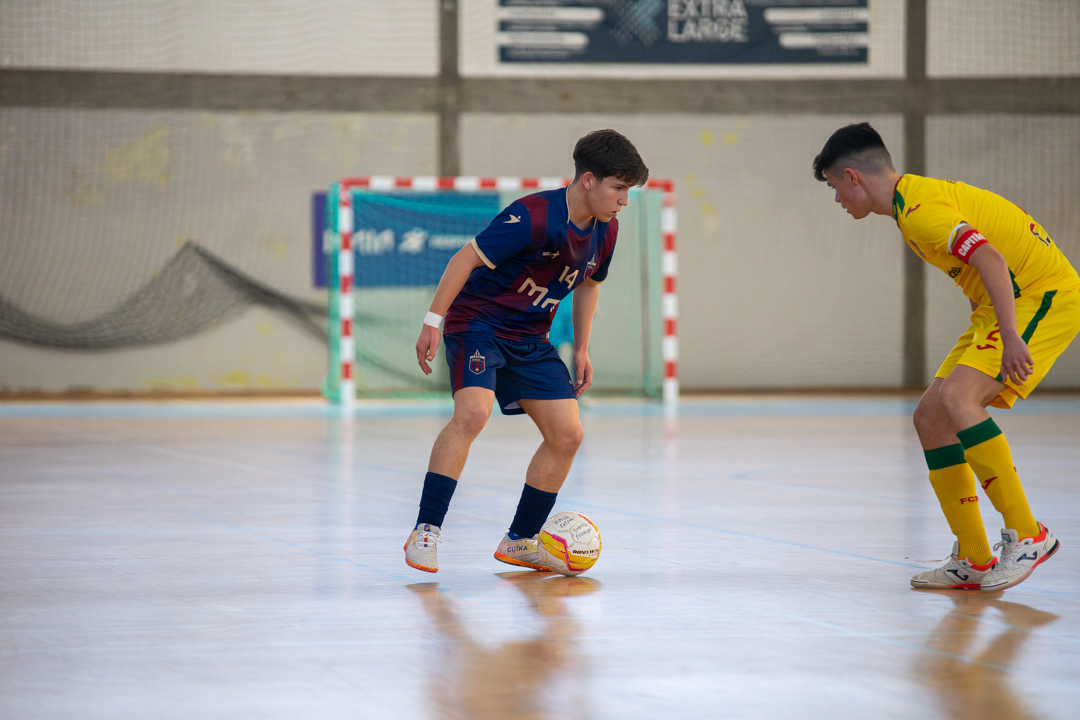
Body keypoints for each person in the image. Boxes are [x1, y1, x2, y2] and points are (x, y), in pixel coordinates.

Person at [813, 122, 1080, 591]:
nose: (837, 199)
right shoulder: (909, 205)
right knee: (931, 417)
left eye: (835, 186)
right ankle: (974, 557)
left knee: (959, 397)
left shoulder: (921, 212)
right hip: (998, 308)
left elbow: (991, 259)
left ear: (853, 177)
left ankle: (1029, 534)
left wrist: (1011, 335)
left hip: (1042, 296)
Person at [404, 129, 650, 573]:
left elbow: (589, 285)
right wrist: (432, 322)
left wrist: (582, 349)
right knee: (473, 414)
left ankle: (519, 540)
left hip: (531, 338)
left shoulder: (606, 231)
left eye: (628, 191)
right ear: (588, 180)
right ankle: (426, 529)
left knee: (568, 435)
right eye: (618, 188)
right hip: (478, 324)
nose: (624, 201)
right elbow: (464, 259)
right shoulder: (533, 215)